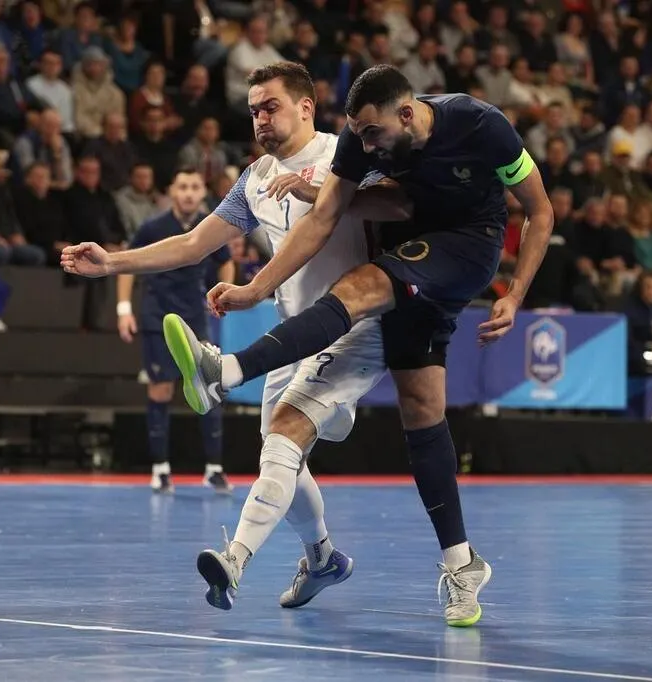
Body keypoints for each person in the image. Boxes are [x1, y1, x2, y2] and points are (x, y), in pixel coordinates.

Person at [161, 65, 555, 627]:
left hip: (467, 247)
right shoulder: (358, 136)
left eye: (373, 135)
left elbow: (540, 211)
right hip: (411, 261)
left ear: (407, 113)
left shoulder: (480, 125)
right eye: (358, 136)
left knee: (358, 285)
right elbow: (325, 217)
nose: (365, 147)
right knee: (422, 411)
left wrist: (515, 295)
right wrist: (256, 288)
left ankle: (225, 370)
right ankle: (462, 564)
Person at [62, 62, 409, 612]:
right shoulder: (254, 180)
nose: (260, 119)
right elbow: (195, 243)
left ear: (305, 106)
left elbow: (401, 197)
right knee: (281, 454)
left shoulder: (348, 154)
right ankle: (323, 560)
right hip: (293, 336)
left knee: (283, 444)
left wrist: (322, 186)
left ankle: (235, 559)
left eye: (270, 106)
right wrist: (112, 265)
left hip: (358, 329)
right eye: (252, 111)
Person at [116, 166, 235, 494]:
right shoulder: (153, 227)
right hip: (157, 319)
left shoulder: (210, 225)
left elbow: (225, 259)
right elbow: (126, 264)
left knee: (208, 389)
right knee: (161, 391)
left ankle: (214, 468)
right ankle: (160, 469)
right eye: (182, 186)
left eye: (195, 187)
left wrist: (225, 288)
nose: (188, 193)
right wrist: (124, 309)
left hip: (196, 319)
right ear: (171, 190)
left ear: (202, 192)